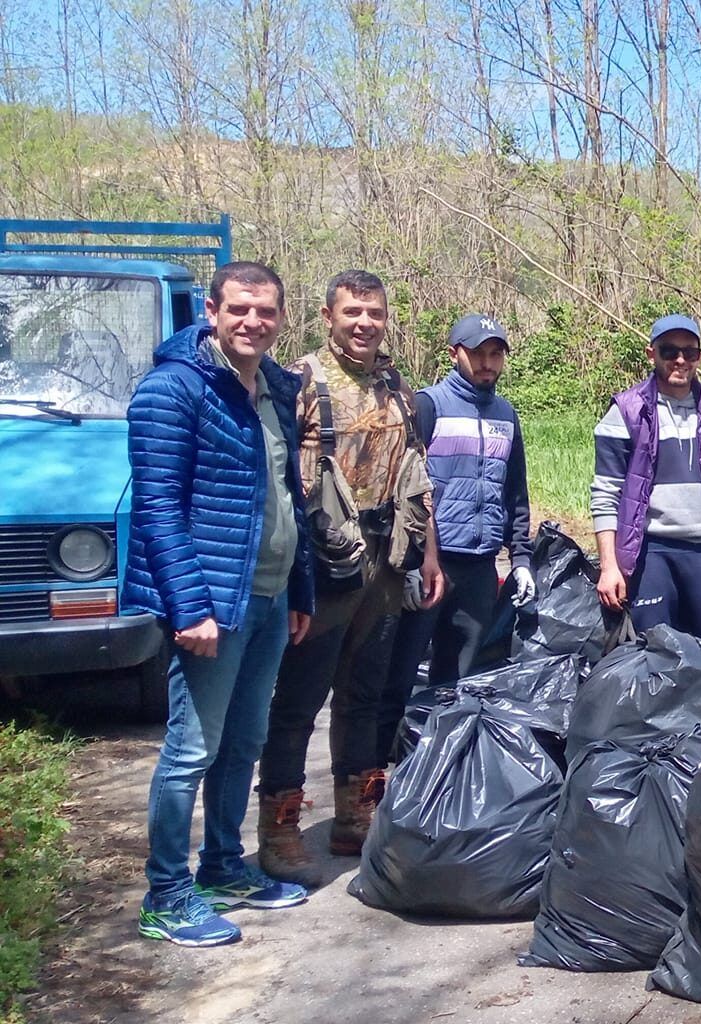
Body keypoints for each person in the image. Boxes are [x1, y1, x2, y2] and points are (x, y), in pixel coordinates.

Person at [127, 261, 315, 946]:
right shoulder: (173, 390)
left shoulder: (275, 389)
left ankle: (223, 866)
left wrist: (300, 589)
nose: (252, 322)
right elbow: (156, 507)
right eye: (239, 309)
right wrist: (188, 609)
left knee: (244, 742)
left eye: (265, 312)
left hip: (268, 597)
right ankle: (166, 894)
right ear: (210, 310)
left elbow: (285, 496)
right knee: (191, 750)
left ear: (280, 318)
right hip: (211, 604)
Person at [258, 269, 443, 881]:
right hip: (324, 561)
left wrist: (429, 557)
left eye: (374, 313)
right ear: (327, 315)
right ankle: (279, 825)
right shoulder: (300, 381)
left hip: (387, 560)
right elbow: (279, 479)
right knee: (300, 700)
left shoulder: (397, 387)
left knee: (365, 696)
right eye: (352, 313)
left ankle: (353, 818)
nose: (364, 323)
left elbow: (418, 475)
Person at [389, 314, 535, 692]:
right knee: (400, 673)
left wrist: (521, 560)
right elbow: (404, 488)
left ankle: (444, 750)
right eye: (477, 353)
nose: (487, 363)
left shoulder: (506, 415)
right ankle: (389, 751)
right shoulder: (428, 405)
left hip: (480, 568)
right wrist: (413, 560)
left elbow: (515, 492)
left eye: (495, 354)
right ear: (455, 354)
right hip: (431, 565)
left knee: (459, 680)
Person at [592, 313, 701, 640]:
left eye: (689, 352)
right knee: (653, 652)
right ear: (651, 354)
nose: (680, 359)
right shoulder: (625, 411)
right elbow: (605, 494)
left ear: (699, 357)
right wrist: (609, 566)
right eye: (669, 351)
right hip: (651, 551)